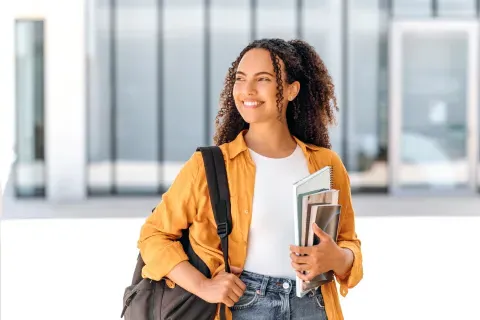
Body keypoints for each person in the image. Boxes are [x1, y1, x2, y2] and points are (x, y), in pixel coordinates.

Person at [138, 38, 363, 320]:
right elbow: (154, 235)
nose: (247, 90)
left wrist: (339, 259)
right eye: (240, 79)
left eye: (264, 79)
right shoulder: (208, 166)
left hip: (313, 306)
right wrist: (204, 286)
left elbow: (349, 242)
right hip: (242, 306)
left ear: (292, 90)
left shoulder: (326, 165)